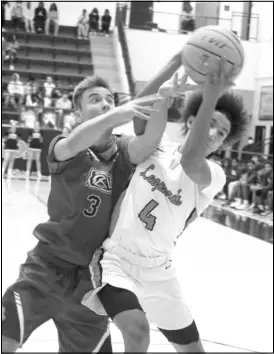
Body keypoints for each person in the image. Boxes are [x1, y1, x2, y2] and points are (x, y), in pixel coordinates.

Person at [82, 59, 249, 352]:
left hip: (160, 271)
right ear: (189, 122)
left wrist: (210, 97)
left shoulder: (213, 175)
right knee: (137, 331)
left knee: (193, 349)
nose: (213, 134)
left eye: (221, 133)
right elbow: (142, 106)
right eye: (209, 123)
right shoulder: (155, 147)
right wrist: (174, 68)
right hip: (116, 260)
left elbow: (190, 160)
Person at [1, 73, 165, 352]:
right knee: (5, 338)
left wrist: (169, 78)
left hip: (91, 280)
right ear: (77, 111)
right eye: (95, 99)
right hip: (46, 267)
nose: (105, 103)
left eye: (109, 100)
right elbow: (76, 142)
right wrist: (115, 115)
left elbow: (149, 140)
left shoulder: (124, 151)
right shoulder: (65, 145)